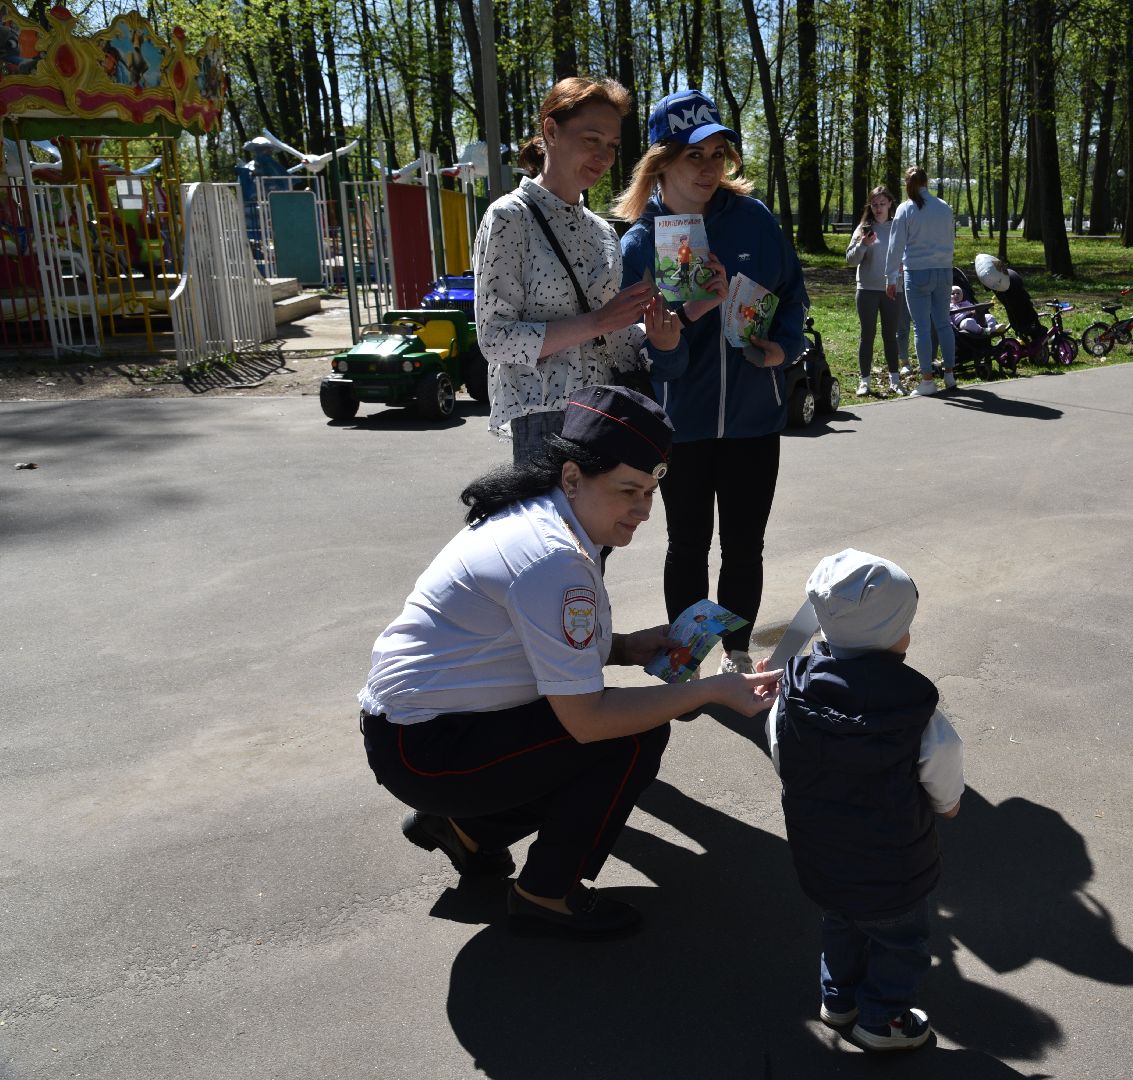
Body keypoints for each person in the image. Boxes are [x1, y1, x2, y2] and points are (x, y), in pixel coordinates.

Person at [359, 385, 781, 938]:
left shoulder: (540, 515)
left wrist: (626, 647)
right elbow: (588, 721)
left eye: (652, 491)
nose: (644, 511)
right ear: (572, 476)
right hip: (427, 748)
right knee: (628, 738)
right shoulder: (555, 558)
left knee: (605, 729)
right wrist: (707, 692)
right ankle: (547, 891)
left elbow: (522, 642)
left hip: (420, 732)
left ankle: (468, 829)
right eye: (629, 491)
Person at [616, 88, 808, 677]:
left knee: (745, 544)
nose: (709, 169)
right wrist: (676, 339)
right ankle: (686, 657)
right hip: (685, 426)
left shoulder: (753, 219)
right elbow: (644, 358)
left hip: (755, 418)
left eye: (718, 153)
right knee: (688, 545)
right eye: (693, 156)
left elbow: (792, 297)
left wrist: (784, 348)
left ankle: (738, 651)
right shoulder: (641, 244)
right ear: (662, 161)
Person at [766, 549, 964, 1052]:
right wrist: (948, 805)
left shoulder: (795, 692)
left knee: (841, 925)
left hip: (822, 856)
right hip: (892, 867)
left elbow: (780, 750)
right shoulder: (913, 710)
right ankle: (882, 1021)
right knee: (900, 944)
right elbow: (942, 765)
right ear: (895, 634)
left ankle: (839, 1000)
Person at [472, 76, 676, 465]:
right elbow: (495, 340)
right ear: (551, 130)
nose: (603, 156)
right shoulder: (508, 217)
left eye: (612, 146)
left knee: (603, 529)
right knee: (551, 529)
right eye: (591, 140)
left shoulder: (602, 232)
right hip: (544, 419)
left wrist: (658, 334)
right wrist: (599, 320)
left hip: (604, 415)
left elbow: (610, 339)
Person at [885, 166, 958, 397]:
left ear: (907, 184)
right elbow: (950, 238)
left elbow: (896, 245)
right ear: (927, 182)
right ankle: (949, 374)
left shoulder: (906, 209)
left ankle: (927, 380)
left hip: (917, 271)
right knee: (943, 324)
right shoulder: (944, 207)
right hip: (944, 270)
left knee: (922, 327)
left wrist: (890, 277)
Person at [845, 186, 907, 396]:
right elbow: (850, 260)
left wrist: (903, 265)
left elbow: (909, 254)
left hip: (893, 290)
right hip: (867, 290)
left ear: (890, 203)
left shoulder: (899, 226)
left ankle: (895, 380)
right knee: (867, 336)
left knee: (891, 335)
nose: (878, 208)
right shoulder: (864, 227)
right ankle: (864, 382)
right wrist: (863, 244)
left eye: (882, 203)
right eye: (874, 204)